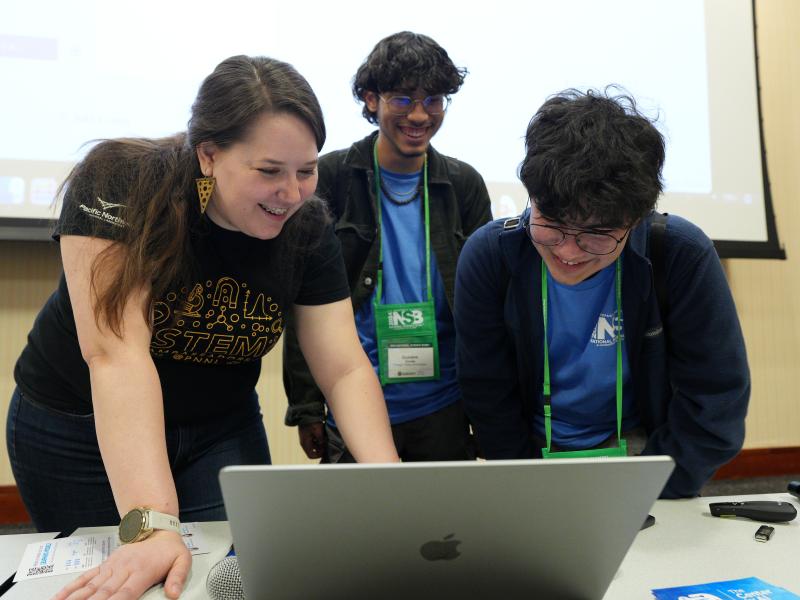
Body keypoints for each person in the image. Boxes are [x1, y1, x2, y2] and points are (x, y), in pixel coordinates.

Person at [7, 55, 399, 599]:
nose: (290, 193)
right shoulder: (123, 183)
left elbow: (343, 368)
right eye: (268, 171)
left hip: (220, 426)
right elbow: (117, 356)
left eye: (305, 171)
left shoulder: (306, 229)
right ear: (209, 155)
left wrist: (394, 488)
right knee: (126, 583)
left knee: (232, 577)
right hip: (81, 427)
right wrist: (151, 524)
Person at [454, 88, 750, 498]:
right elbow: (487, 396)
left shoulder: (679, 254)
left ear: (635, 219)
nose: (568, 251)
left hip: (647, 458)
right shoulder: (492, 257)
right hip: (530, 458)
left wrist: (646, 492)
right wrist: (525, 488)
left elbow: (716, 400)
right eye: (552, 224)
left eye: (596, 234)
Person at [283, 32, 492, 462]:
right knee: (356, 530)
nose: (420, 115)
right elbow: (304, 300)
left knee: (448, 529)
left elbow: (486, 306)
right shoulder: (332, 176)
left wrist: (488, 407)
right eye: (403, 100)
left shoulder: (463, 184)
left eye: (433, 100)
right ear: (371, 99)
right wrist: (308, 407)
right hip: (353, 406)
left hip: (445, 408)